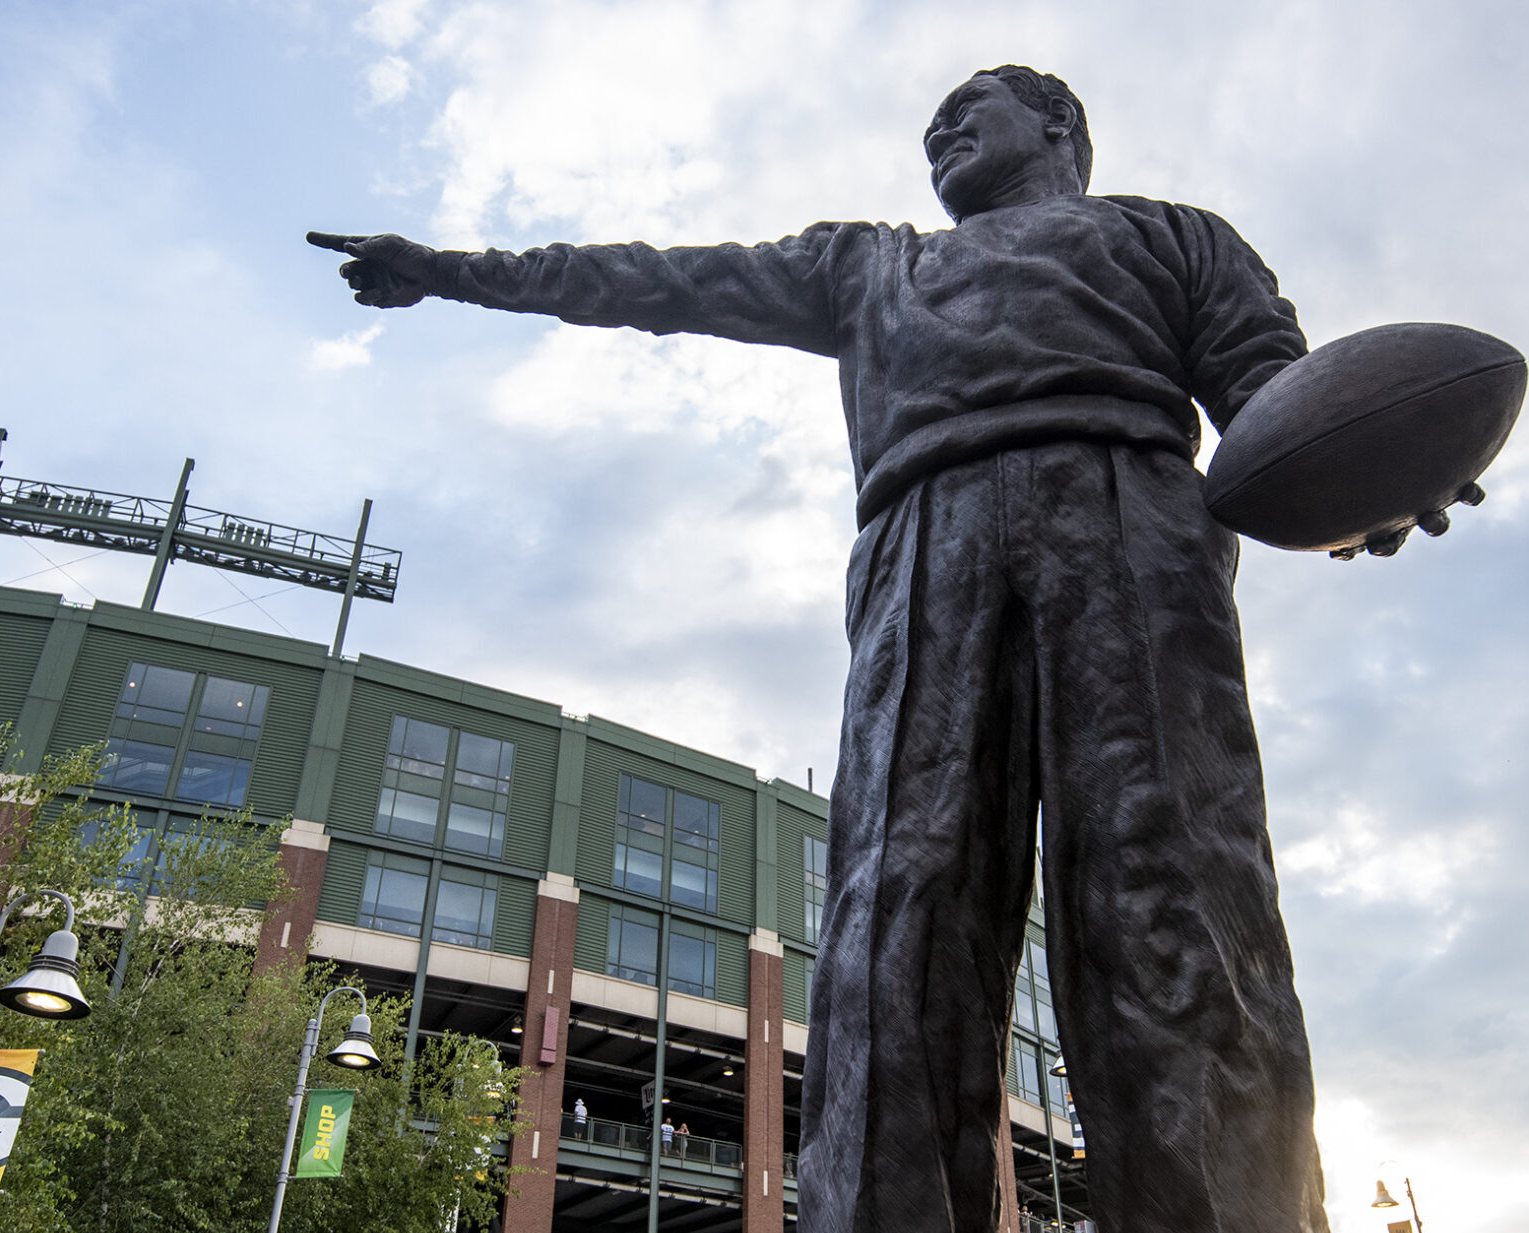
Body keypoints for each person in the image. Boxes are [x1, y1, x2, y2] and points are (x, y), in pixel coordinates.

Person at [313, 65, 1325, 1233]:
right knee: (896, 917)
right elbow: (657, 281)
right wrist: (450, 273)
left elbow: (1282, 400)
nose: (941, 129)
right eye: (931, 123)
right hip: (921, 548)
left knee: (1177, 904)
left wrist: (1379, 475)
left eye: (970, 107)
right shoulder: (868, 264)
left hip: (1133, 536)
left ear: (1058, 125)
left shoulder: (1173, 238)